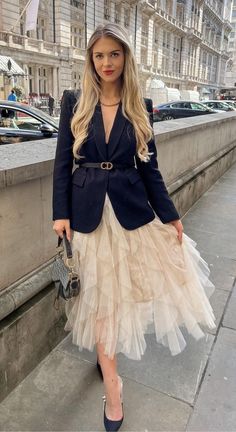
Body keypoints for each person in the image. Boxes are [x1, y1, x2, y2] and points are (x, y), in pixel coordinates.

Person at [52, 23, 216, 431]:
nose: (106, 62)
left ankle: (110, 379)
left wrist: (171, 215)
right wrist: (61, 213)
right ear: (90, 60)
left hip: (129, 216)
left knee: (115, 304)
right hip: (87, 218)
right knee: (99, 303)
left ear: (126, 57)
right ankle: (113, 385)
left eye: (114, 54)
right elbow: (61, 165)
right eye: (99, 55)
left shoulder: (139, 104)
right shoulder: (74, 102)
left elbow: (150, 170)